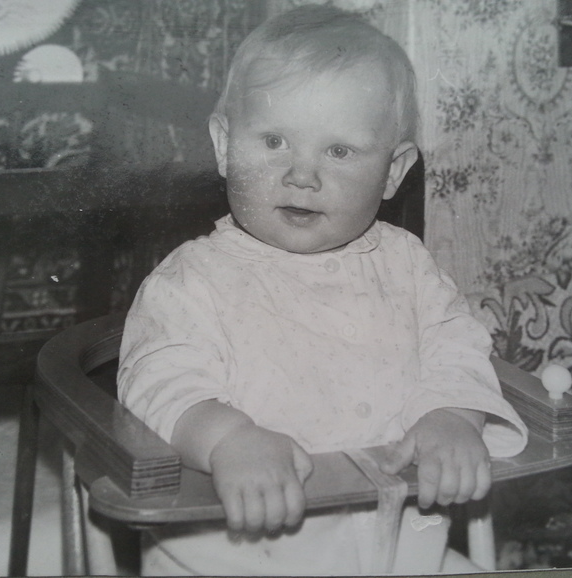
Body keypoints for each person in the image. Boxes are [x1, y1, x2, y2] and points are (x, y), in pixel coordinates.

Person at [117, 4, 528, 575]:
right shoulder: (191, 280)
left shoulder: (408, 266)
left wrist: (454, 416)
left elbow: (457, 349)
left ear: (392, 171)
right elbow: (158, 380)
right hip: (234, 557)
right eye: (275, 141)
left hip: (402, 551)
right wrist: (228, 439)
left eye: (339, 151)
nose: (302, 175)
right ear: (224, 145)